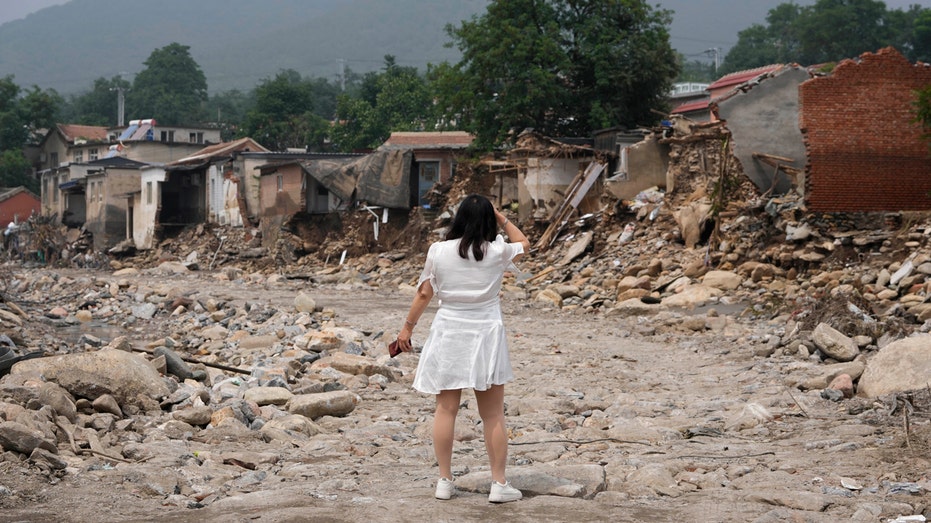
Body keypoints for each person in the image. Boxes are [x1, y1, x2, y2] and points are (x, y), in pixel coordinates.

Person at [396, 194, 530, 503]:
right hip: (486, 333)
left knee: (446, 408)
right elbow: (525, 243)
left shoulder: (439, 251)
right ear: (488, 220)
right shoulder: (497, 251)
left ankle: (444, 480)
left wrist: (407, 329)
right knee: (493, 413)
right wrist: (501, 217)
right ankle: (499, 484)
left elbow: (424, 294)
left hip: (450, 331)